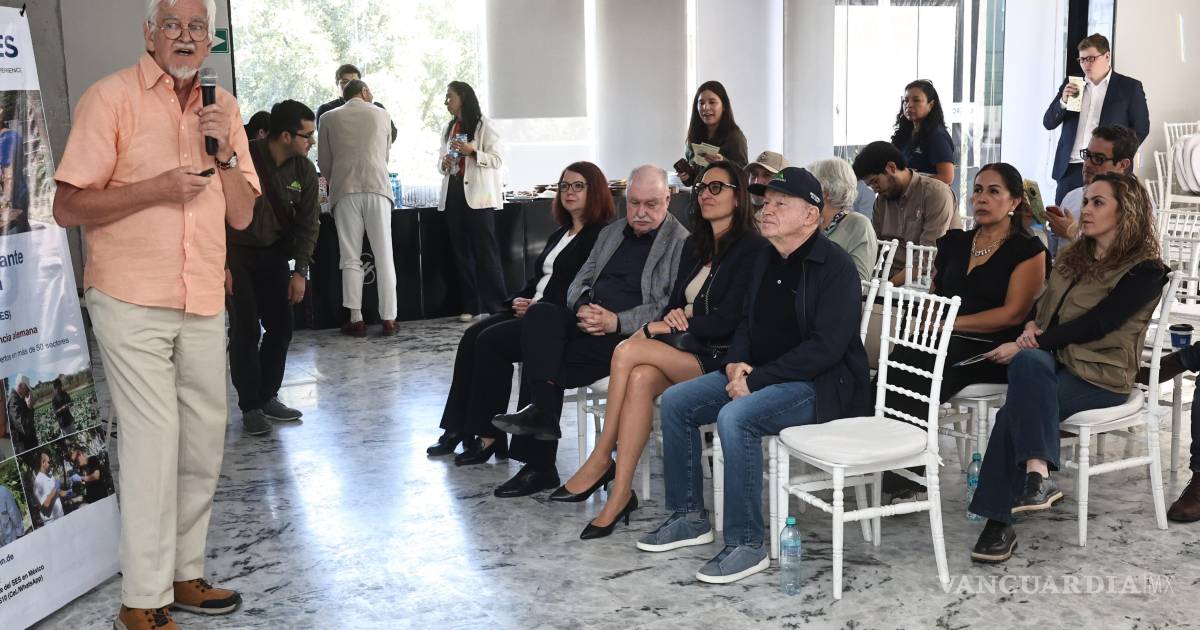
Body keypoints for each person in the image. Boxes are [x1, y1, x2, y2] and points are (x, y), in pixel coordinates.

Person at [51, 1, 257, 625]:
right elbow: (67, 205)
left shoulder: (223, 109)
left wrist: (224, 154)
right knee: (152, 442)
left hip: (201, 296)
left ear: (210, 41)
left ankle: (184, 572)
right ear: (149, 34)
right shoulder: (109, 98)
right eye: (173, 25)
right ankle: (141, 600)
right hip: (130, 296)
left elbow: (242, 214)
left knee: (202, 441)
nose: (186, 38)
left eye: (197, 28)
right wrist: (156, 190)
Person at [639, 167, 870, 584]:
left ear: (811, 215)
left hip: (819, 385)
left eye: (781, 203)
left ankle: (747, 544)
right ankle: (689, 517)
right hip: (761, 374)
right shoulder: (765, 256)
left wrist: (756, 381)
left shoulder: (835, 267)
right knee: (676, 402)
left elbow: (826, 348)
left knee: (736, 417)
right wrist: (736, 362)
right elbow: (746, 321)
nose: (766, 210)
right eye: (765, 202)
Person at [556, 161, 766, 540]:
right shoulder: (696, 244)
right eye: (702, 187)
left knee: (626, 352)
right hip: (688, 347)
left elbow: (730, 319)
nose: (705, 194)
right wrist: (673, 317)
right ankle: (620, 494)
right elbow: (673, 303)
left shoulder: (752, 248)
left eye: (717, 187)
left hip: (721, 355)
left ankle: (601, 458)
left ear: (739, 198)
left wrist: (664, 325)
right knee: (638, 378)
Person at [968, 172, 1166, 563]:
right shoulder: (1074, 258)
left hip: (1101, 375)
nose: (1085, 209)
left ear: (1126, 212)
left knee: (1012, 411)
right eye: (1086, 201)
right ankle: (1037, 475)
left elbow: (1099, 324)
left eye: (1097, 202)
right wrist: (1031, 328)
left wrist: (1029, 342)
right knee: (1028, 362)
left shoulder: (1145, 271)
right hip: (1053, 362)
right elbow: (1046, 310)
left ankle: (999, 521)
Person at [490, 166, 689, 497]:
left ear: (668, 199)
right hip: (587, 320)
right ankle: (541, 421)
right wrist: (582, 305)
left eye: (651, 204)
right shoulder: (611, 233)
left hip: (629, 337)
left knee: (544, 358)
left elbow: (666, 305)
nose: (640, 212)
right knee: (541, 315)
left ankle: (538, 464)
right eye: (634, 203)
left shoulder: (681, 243)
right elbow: (577, 282)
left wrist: (615, 321)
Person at [427, 161, 614, 462]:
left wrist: (537, 306)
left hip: (554, 318)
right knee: (471, 335)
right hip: (532, 308)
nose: (569, 192)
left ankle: (488, 436)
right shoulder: (561, 233)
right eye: (564, 186)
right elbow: (539, 279)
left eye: (578, 186)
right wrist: (520, 300)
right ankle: (458, 427)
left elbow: (580, 287)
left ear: (596, 192)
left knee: (489, 342)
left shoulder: (599, 236)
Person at [227, 100, 321, 435]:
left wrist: (300, 272)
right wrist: (221, 265)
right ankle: (250, 406)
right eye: (307, 135)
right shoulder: (243, 157)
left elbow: (309, 224)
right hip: (236, 254)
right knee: (246, 330)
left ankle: (268, 395)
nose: (312, 142)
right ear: (285, 136)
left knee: (281, 327)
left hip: (274, 255)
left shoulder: (304, 171)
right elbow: (215, 209)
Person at [318, 79, 398, 337]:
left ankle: (356, 318)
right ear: (364, 91)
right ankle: (389, 318)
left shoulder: (328, 118)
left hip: (345, 189)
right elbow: (385, 155)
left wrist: (337, 179)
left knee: (350, 255)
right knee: (384, 254)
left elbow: (324, 162)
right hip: (377, 187)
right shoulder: (382, 114)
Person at [1043, 33, 1149, 204]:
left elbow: (1141, 128)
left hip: (1106, 168)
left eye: (1091, 58)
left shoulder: (1129, 87)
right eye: (1082, 59)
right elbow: (1049, 122)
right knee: (1063, 217)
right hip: (1070, 168)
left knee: (1101, 216)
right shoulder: (1073, 83)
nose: (1086, 64)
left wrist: (1118, 157)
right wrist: (1063, 101)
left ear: (1107, 56)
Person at [437, 81, 508, 322]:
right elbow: (441, 163)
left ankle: (497, 307)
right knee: (461, 253)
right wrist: (445, 163)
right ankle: (471, 305)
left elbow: (497, 159)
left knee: (486, 252)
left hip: (479, 196)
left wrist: (472, 152)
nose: (446, 102)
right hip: (454, 192)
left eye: (450, 97)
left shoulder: (484, 125)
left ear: (463, 97)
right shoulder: (449, 128)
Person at [853, 140, 960, 285]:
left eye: (875, 181)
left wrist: (885, 287)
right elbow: (873, 247)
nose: (874, 189)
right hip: (892, 276)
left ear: (891, 167)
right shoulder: (881, 201)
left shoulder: (935, 193)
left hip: (930, 280)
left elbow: (926, 258)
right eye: (870, 185)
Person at [1045, 124, 1139, 257]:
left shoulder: (1137, 205)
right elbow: (1055, 250)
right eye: (1087, 155)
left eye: (1098, 159)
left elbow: (1127, 257)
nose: (1087, 164)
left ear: (1123, 164)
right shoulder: (1073, 196)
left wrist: (1073, 232)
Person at [808, 157, 878, 281]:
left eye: (810, 186)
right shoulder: (811, 223)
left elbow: (860, 283)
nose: (804, 192)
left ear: (825, 191)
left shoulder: (858, 225)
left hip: (833, 292)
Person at [675, 81, 749, 186]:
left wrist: (723, 163)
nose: (705, 107)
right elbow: (694, 178)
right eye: (701, 103)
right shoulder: (693, 136)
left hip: (724, 194)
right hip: (699, 193)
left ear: (724, 106)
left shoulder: (735, 137)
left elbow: (744, 175)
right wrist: (686, 176)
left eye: (712, 102)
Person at [891, 79, 955, 186]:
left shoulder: (937, 135)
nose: (909, 105)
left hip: (928, 194)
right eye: (906, 100)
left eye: (916, 100)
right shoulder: (904, 133)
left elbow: (947, 177)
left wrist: (909, 182)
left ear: (931, 105)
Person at [315, 63, 397, 143]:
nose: (350, 86)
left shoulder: (377, 107)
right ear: (337, 83)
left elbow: (392, 136)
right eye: (345, 82)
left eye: (354, 82)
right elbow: (325, 140)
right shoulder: (326, 109)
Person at [0, 113, 29, 235]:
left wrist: (5, 203)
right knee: (23, 231)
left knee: (15, 235)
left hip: (13, 198)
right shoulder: (14, 135)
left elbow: (8, 176)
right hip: (20, 193)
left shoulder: (6, 139)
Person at [745, 150, 787, 216]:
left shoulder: (788, 217)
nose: (757, 181)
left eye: (767, 175)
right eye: (754, 174)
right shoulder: (740, 211)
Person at [31, 451, 65, 525]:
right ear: (43, 463)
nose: (51, 464)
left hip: (60, 516)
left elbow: (57, 493)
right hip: (52, 522)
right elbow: (46, 504)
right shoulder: (38, 482)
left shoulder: (50, 476)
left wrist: (69, 492)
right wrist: (55, 488)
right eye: (49, 462)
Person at [6, 380, 36, 454]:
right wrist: (29, 407)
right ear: (21, 386)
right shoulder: (14, 402)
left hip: (26, 443)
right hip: (22, 446)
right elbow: (24, 427)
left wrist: (29, 407)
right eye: (27, 389)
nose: (28, 392)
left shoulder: (20, 399)